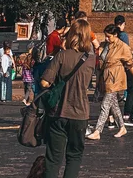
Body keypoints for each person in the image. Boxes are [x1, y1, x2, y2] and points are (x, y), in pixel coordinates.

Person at [40, 18, 95, 178]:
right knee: (75, 156)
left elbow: (44, 82)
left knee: (53, 158)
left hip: (59, 112)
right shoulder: (90, 60)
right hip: (80, 114)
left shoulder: (62, 56)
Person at [87, 24, 133, 140]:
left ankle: (97, 130)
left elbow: (130, 64)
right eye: (106, 36)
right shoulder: (105, 45)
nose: (107, 38)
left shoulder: (122, 47)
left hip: (115, 77)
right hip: (105, 77)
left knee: (105, 105)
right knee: (114, 105)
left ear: (115, 35)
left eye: (109, 36)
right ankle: (122, 127)